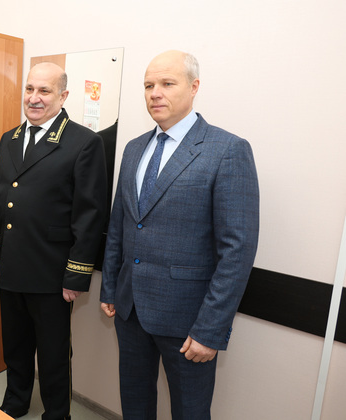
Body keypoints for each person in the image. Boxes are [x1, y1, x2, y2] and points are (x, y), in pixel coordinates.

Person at [100, 50, 260, 419]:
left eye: (167, 83)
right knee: (135, 405)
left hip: (189, 321)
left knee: (190, 412)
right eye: (148, 85)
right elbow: (120, 225)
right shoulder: (134, 149)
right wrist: (110, 287)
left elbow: (237, 250)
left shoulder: (227, 150)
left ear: (194, 87)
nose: (155, 93)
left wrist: (211, 329)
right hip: (130, 310)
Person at [0, 62, 107, 420]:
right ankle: (15, 402)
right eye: (29, 89)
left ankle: (56, 414)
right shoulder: (10, 138)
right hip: (11, 264)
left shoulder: (83, 142)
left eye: (44, 91)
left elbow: (90, 215)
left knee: (53, 354)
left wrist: (77, 275)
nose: (34, 98)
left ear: (63, 96)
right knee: (15, 345)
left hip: (52, 270)